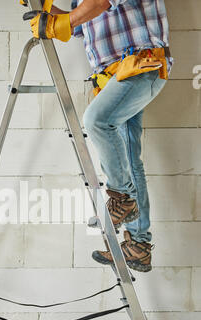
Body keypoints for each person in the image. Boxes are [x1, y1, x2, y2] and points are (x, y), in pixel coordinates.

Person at [24, 0, 173, 272]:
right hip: (113, 77)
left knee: (97, 120)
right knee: (129, 157)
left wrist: (63, 22)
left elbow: (101, 3)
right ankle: (138, 244)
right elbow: (77, 22)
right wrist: (47, 8)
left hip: (142, 64)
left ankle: (122, 199)